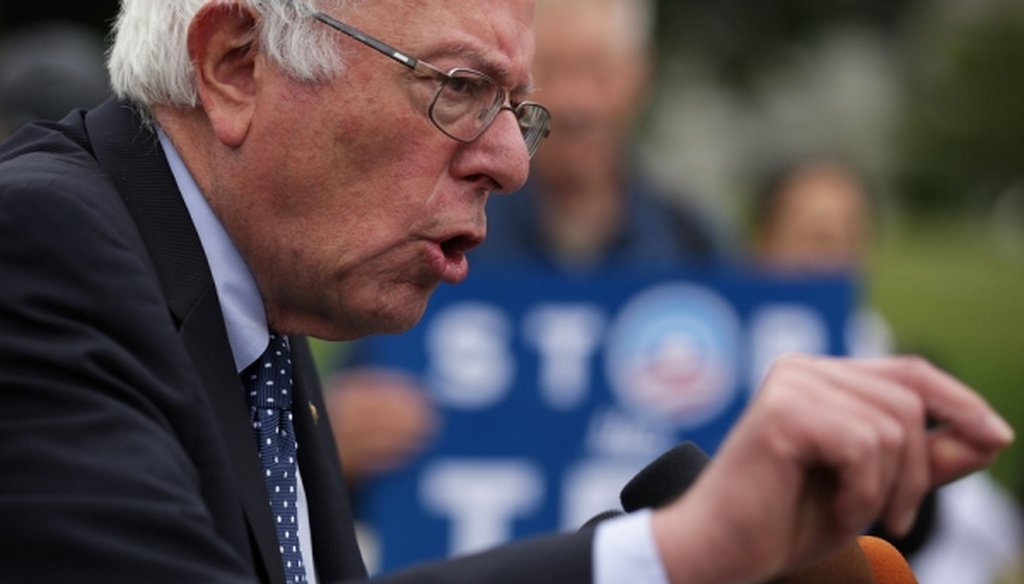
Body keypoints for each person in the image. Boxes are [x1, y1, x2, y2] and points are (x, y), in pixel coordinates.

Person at [0, 2, 1013, 584]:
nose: (512, 161)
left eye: (512, 108)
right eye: (456, 87)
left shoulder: (261, 295)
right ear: (232, 65)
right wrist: (665, 553)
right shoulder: (37, 251)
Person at [749, 157, 1024, 584]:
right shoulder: (714, 374)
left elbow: (974, 526)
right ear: (764, 244)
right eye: (815, 237)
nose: (834, 257)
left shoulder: (906, 371)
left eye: (850, 236)